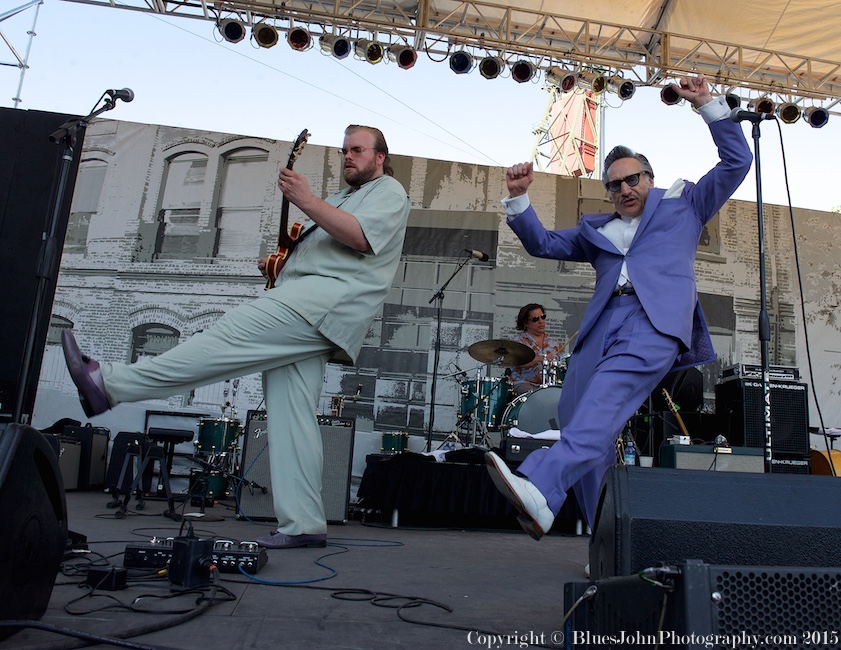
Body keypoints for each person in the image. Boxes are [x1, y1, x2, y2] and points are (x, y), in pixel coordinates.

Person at [62, 125, 411, 549]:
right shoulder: (341, 198)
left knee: (221, 341)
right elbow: (326, 245)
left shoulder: (389, 191)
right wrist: (279, 262)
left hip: (316, 306)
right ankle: (303, 523)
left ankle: (109, 384)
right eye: (344, 150)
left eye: (357, 150)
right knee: (292, 419)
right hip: (308, 302)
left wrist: (304, 199)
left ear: (380, 157)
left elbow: (359, 237)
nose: (348, 157)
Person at [485, 74, 752, 540]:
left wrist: (708, 106)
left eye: (633, 179)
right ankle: (604, 538)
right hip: (602, 326)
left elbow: (736, 161)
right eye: (615, 185)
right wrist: (519, 198)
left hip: (654, 323)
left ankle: (544, 485)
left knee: (601, 407)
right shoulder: (596, 229)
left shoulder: (684, 203)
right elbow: (543, 243)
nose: (625, 189)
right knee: (580, 418)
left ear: (650, 177)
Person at [509, 303, 564, 395]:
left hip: (549, 385)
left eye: (543, 317)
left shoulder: (555, 343)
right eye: (535, 319)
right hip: (524, 383)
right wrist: (543, 358)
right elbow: (518, 362)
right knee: (536, 396)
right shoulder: (518, 342)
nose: (541, 321)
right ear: (526, 323)